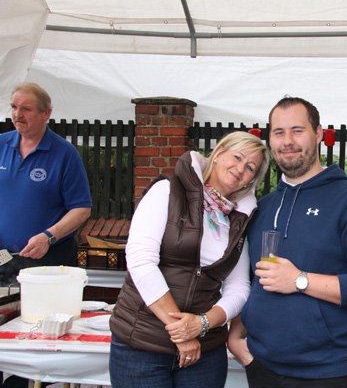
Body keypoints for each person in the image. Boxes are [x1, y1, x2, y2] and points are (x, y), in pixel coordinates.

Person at [228, 97, 347, 388]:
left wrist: (299, 280)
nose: (287, 141)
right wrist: (236, 337)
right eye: (279, 132)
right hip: (262, 369)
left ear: (318, 133)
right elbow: (253, 283)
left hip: (328, 374)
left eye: (297, 130)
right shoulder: (263, 207)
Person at [109, 131, 269, 388]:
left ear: (252, 179)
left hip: (206, 350)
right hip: (143, 344)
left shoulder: (240, 217)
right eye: (237, 157)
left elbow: (239, 287)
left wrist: (201, 324)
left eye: (250, 167)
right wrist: (182, 333)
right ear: (219, 153)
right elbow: (141, 261)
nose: (240, 169)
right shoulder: (168, 190)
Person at [0, 84, 92, 386]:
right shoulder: (1, 144)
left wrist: (48, 236)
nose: (17, 114)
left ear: (46, 113)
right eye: (14, 107)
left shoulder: (64, 154)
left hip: (48, 262)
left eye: (25, 109)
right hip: (3, 260)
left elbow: (81, 208)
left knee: (40, 338)